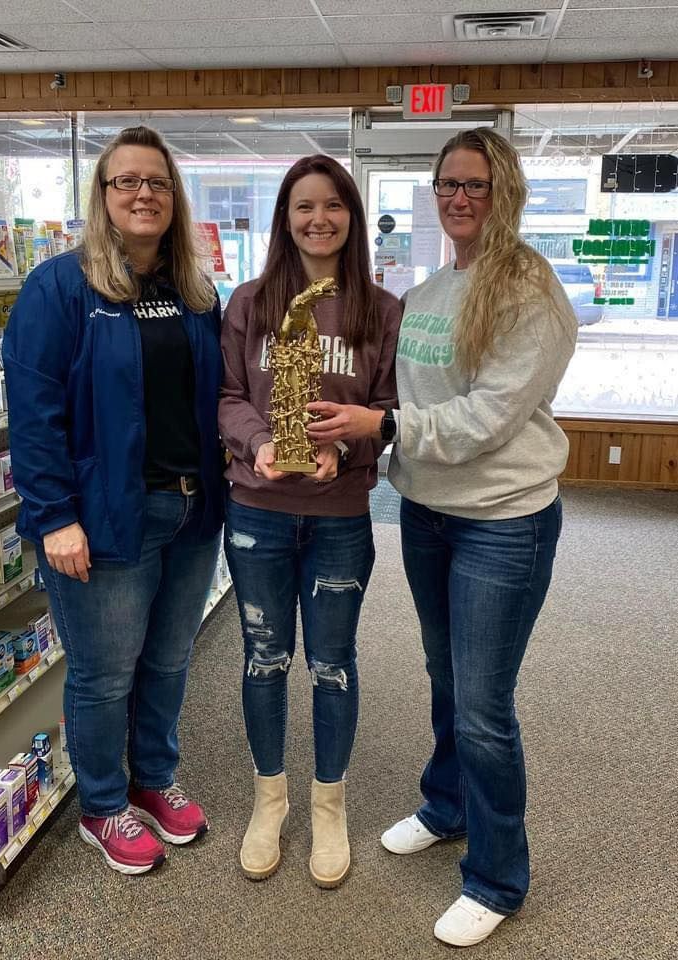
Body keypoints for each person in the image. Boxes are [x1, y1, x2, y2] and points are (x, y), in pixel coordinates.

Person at [308, 128, 577, 944]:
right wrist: (333, 431)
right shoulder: (428, 292)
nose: (459, 198)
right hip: (427, 514)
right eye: (447, 185)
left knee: (484, 704)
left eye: (476, 185)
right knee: (443, 675)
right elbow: (397, 396)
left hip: (503, 522)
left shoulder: (527, 290)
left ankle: (498, 879)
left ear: (506, 192)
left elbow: (488, 417)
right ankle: (448, 804)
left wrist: (380, 421)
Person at [3, 125, 226, 876]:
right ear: (101, 196)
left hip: (192, 511)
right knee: (104, 672)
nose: (142, 194)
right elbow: (33, 412)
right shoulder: (60, 288)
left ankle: (152, 779)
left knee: (167, 661)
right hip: (103, 518)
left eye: (156, 183)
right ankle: (102, 806)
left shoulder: (194, 291)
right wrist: (55, 514)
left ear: (173, 197)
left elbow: (217, 397)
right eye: (126, 181)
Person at [218, 154, 401, 888]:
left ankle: (329, 805)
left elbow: (388, 415)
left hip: (338, 517)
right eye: (303, 206)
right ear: (284, 217)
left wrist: (345, 447)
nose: (317, 218)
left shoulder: (380, 310)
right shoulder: (250, 302)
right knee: (264, 660)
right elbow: (228, 395)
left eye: (332, 205)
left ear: (351, 216)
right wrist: (262, 444)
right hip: (257, 511)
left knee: (331, 665)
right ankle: (271, 801)